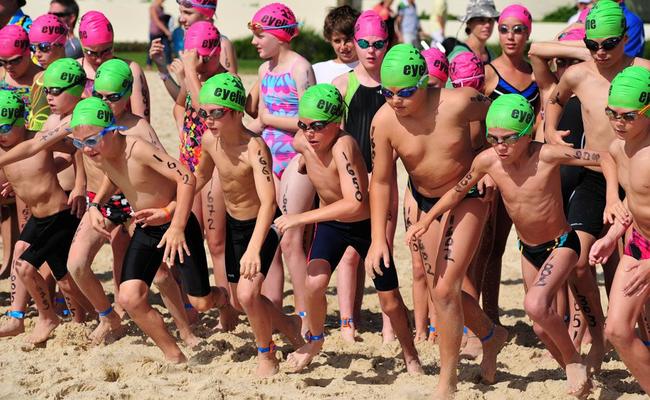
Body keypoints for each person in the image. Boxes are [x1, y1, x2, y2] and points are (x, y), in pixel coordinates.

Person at [406, 93, 618, 398]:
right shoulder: (488, 160)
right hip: (528, 250)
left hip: (561, 244)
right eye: (493, 138)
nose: (500, 146)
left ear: (528, 133)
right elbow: (457, 191)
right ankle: (581, 382)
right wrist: (427, 220)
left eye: (508, 139)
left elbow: (606, 158)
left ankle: (573, 362)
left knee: (535, 305)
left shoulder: (546, 155)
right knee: (541, 327)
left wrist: (611, 198)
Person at [366, 44, 508, 398]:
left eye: (405, 92)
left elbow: (499, 116)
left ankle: (448, 379)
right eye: (388, 93)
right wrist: (378, 239)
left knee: (444, 290)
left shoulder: (458, 103)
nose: (396, 100)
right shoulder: (384, 121)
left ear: (426, 82)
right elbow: (381, 181)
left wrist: (487, 161)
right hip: (427, 203)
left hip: (468, 195)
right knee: (444, 292)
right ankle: (492, 336)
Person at [276, 83, 422, 374]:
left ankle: (410, 355)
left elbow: (354, 204)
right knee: (313, 283)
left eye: (318, 126)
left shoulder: (344, 147)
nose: (310, 133)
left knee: (390, 301)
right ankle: (315, 341)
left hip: (366, 226)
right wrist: (306, 162)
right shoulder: (302, 142)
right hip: (332, 224)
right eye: (303, 125)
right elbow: (299, 148)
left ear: (336, 123)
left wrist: (299, 218)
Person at [71, 97, 228, 362]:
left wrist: (177, 225)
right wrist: (96, 203)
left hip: (176, 224)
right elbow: (112, 175)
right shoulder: (102, 153)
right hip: (146, 227)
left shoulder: (139, 149)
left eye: (91, 141)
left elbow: (187, 178)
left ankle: (223, 299)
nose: (86, 150)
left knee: (201, 302)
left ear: (112, 130)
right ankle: (174, 356)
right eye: (79, 144)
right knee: (131, 298)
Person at [545, 0, 650, 367]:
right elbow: (554, 99)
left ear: (626, 39)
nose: (600, 53)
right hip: (594, 179)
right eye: (592, 45)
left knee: (633, 267)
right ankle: (599, 331)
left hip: (637, 181)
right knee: (577, 263)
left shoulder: (644, 73)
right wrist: (550, 133)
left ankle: (641, 341)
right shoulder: (577, 75)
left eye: (609, 43)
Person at [194, 72, 303, 376]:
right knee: (242, 301)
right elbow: (200, 177)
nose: (208, 119)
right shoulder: (210, 141)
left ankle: (266, 354)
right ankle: (290, 323)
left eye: (216, 112)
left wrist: (254, 249)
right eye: (204, 112)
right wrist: (173, 201)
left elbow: (270, 202)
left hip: (263, 225)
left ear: (235, 111)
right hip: (235, 225)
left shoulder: (254, 147)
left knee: (246, 294)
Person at [0, 89, 91, 344]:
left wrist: (80, 184)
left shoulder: (41, 139)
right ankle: (93, 317)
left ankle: (47, 316)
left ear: (22, 121)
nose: (1, 134)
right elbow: (25, 169)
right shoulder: (3, 148)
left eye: (5, 127)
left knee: (25, 265)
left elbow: (77, 148)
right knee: (64, 279)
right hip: (39, 219)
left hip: (59, 215)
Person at [333, 10, 397, 342]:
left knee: (382, 248)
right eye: (364, 43)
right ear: (355, 44)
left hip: (386, 179)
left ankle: (389, 326)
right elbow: (334, 137)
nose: (371, 50)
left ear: (387, 44)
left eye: (378, 44)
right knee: (348, 255)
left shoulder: (396, 86)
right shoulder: (342, 84)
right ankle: (347, 323)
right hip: (352, 181)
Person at [251, 3, 316, 322]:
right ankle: (275, 307)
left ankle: (307, 314)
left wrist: (269, 118)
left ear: (278, 35)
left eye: (260, 34)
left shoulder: (300, 68)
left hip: (297, 159)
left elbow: (313, 122)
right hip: (270, 156)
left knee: (291, 239)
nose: (254, 42)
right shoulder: (264, 71)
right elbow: (260, 123)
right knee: (269, 235)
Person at [589, 66, 650, 395]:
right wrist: (612, 236)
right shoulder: (618, 148)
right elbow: (636, 202)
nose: (617, 123)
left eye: (627, 116)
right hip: (639, 244)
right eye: (612, 113)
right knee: (617, 330)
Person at [173, 21, 237, 330]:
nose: (195, 65)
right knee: (190, 237)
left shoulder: (225, 79)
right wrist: (184, 141)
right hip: (191, 169)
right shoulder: (193, 77)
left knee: (217, 243)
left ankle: (230, 308)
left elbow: (202, 108)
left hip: (215, 171)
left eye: (198, 59)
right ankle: (198, 301)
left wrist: (188, 69)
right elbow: (180, 106)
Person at [149, 0, 238, 101]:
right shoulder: (189, 42)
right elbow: (185, 102)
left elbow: (228, 100)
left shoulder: (222, 45)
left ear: (207, 15)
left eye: (188, 13)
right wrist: (162, 68)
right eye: (181, 12)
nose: (181, 19)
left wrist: (184, 80)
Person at [77, 11, 151, 122]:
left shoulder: (130, 70)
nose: (99, 59)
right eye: (92, 53)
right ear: (82, 46)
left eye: (106, 51)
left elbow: (142, 121)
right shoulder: (74, 71)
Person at [311, 5, 359, 84]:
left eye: (348, 40)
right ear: (329, 40)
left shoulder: (370, 69)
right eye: (337, 41)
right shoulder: (316, 71)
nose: (343, 47)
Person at [447, 0, 499, 65]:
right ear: (469, 22)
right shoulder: (459, 55)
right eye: (481, 20)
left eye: (490, 20)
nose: (487, 25)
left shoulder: (492, 55)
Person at [148, 0, 172, 67]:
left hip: (161, 32)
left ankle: (168, 65)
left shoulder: (161, 7)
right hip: (154, 32)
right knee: (152, 48)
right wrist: (166, 31)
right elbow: (156, 21)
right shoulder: (152, 7)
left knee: (167, 48)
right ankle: (149, 65)